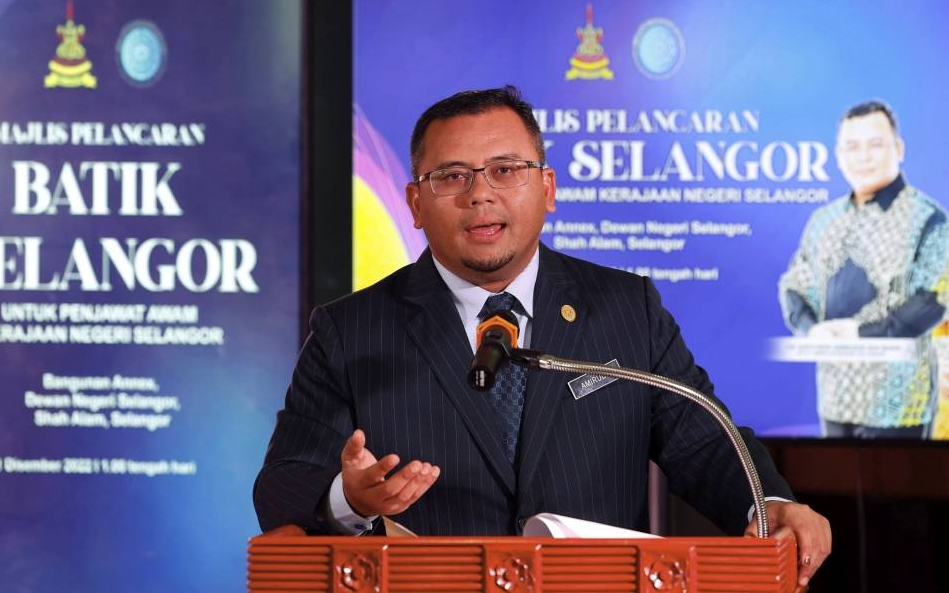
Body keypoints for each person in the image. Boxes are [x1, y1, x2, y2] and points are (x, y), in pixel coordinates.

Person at [256, 87, 830, 588]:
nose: (480, 194)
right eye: (451, 176)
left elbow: (703, 439)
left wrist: (774, 505)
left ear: (548, 189)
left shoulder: (627, 308)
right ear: (414, 203)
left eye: (505, 169)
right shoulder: (350, 329)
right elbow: (283, 488)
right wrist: (351, 500)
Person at [779, 100, 949, 439]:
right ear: (839, 154)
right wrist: (813, 331)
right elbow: (795, 285)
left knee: (900, 492)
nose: (863, 156)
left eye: (875, 145)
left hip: (900, 406)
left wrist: (856, 336)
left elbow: (934, 300)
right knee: (829, 489)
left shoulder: (928, 219)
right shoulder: (823, 221)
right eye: (852, 147)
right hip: (835, 398)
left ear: (898, 149)